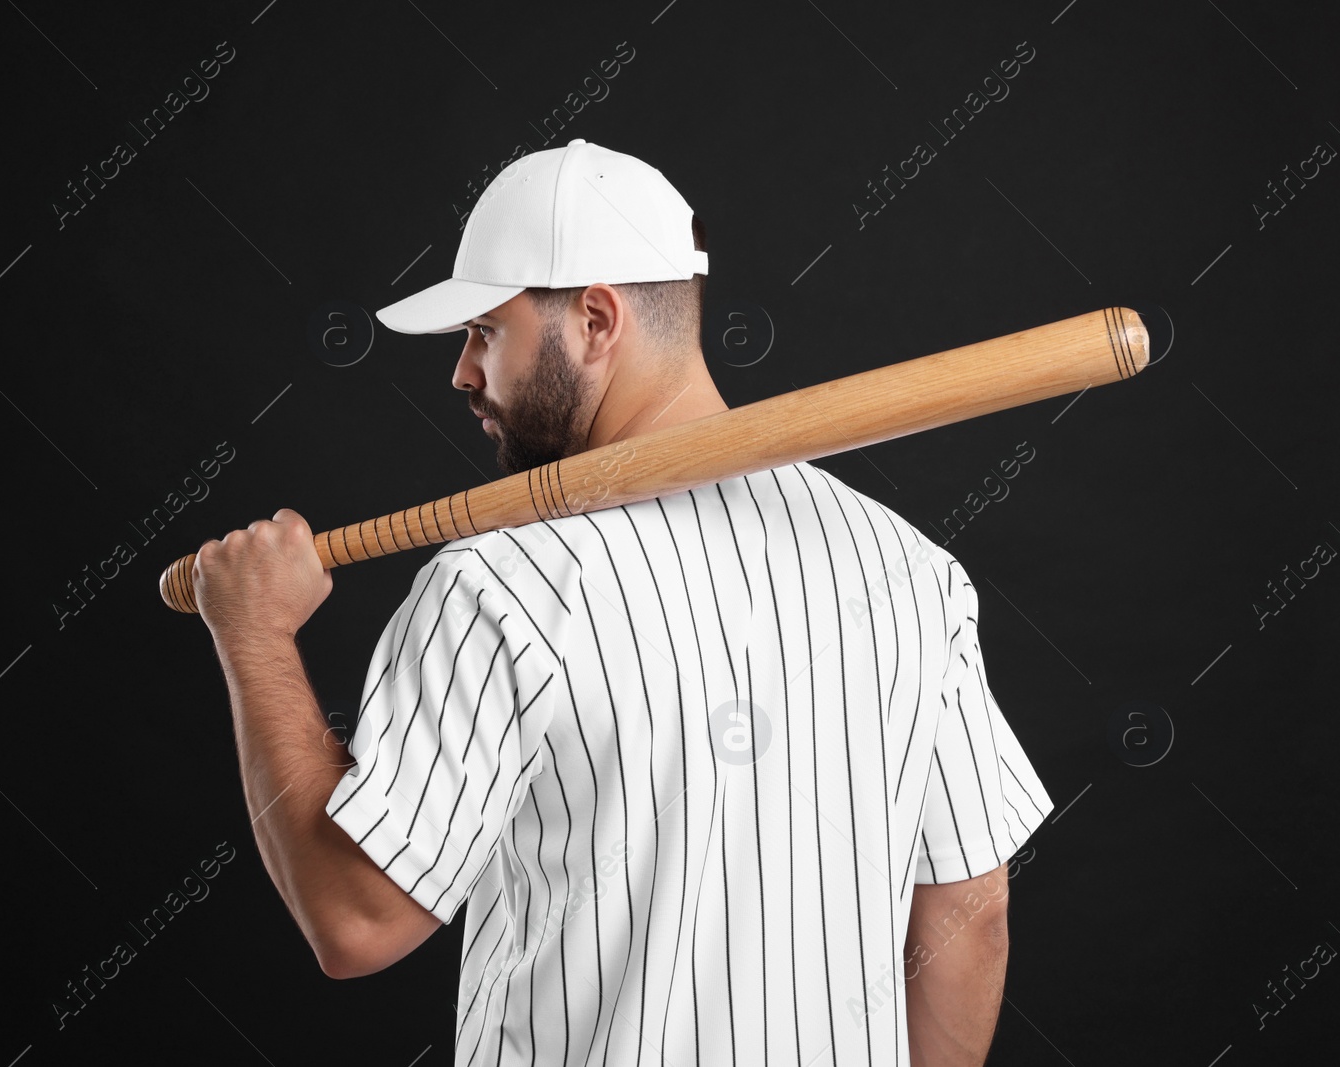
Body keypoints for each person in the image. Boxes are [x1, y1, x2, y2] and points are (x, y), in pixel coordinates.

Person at [191, 138, 1055, 1067]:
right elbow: (972, 912)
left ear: (596, 320)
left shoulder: (499, 585)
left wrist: (256, 634)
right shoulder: (907, 569)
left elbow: (355, 920)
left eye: (485, 330)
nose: (463, 374)